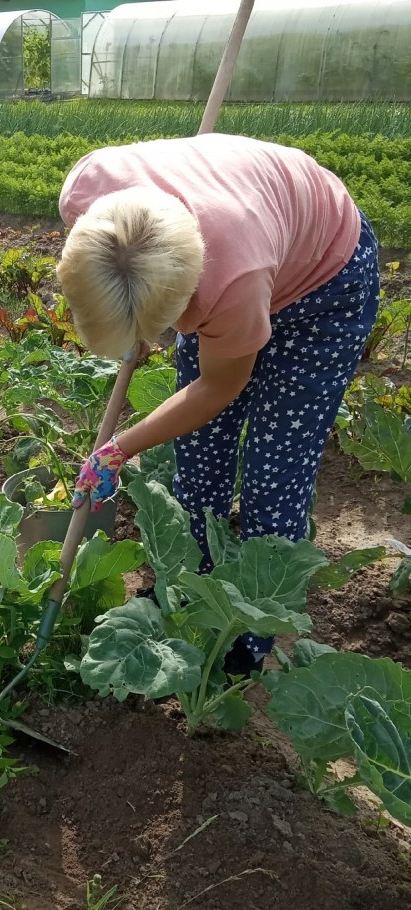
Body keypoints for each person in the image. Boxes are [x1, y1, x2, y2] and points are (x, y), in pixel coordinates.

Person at [59, 134, 379, 674]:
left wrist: (119, 448)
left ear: (188, 296)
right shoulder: (86, 190)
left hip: (323, 282)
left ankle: (248, 634)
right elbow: (109, 274)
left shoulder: (229, 283)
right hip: (239, 236)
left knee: (273, 475)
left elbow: (217, 387)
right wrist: (132, 322)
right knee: (200, 451)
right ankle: (190, 584)